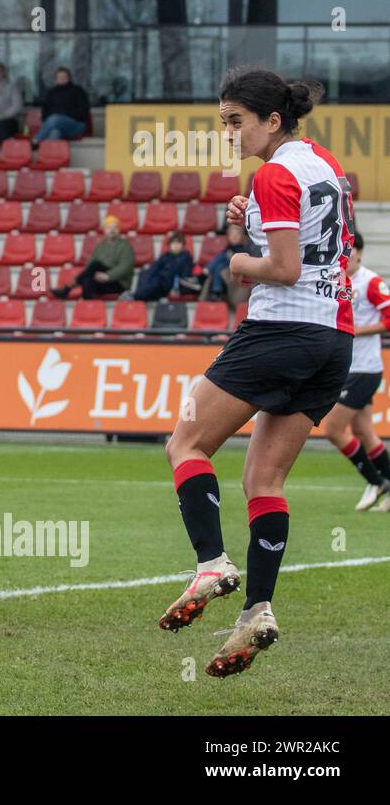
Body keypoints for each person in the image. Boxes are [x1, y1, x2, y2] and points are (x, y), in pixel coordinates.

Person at [161, 68, 351, 678]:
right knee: (264, 480)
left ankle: (212, 562)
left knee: (186, 442)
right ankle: (256, 611)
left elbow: (288, 269)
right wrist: (252, 224)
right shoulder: (324, 164)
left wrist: (240, 257)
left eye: (235, 121)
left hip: (281, 330)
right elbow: (323, 247)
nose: (229, 132)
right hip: (332, 338)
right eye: (223, 122)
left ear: (272, 120)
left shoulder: (273, 172)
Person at [316, 233, 390, 513]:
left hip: (365, 369)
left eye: (350, 251)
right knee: (363, 431)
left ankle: (374, 480)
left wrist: (357, 330)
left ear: (359, 252)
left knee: (333, 428)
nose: (346, 257)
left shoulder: (371, 282)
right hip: (347, 366)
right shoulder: (337, 279)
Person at [52, 215, 133, 299]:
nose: (112, 230)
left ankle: (68, 288)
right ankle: (87, 307)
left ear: (118, 230)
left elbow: (125, 266)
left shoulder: (125, 246)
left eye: (115, 227)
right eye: (109, 227)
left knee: (96, 264)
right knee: (87, 280)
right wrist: (94, 274)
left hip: (118, 283)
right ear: (104, 230)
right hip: (101, 281)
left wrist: (108, 276)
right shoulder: (100, 246)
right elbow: (89, 264)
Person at [131, 231, 196, 301]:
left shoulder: (186, 257)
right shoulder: (165, 256)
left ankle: (135, 297)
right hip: (162, 282)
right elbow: (154, 268)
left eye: (178, 243)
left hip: (175, 283)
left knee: (156, 280)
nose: (176, 245)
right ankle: (140, 295)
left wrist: (161, 274)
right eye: (173, 243)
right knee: (145, 273)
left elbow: (182, 274)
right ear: (170, 245)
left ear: (183, 245)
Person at [34, 67, 90, 142]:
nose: (62, 79)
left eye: (64, 77)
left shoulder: (78, 91)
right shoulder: (51, 93)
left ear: (69, 78)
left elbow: (84, 111)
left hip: (75, 125)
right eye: (59, 77)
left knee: (55, 119)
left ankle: (35, 141)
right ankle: (52, 153)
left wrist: (62, 117)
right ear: (56, 79)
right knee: (54, 133)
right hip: (56, 125)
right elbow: (45, 113)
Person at [205, 223, 251, 301]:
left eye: (237, 234)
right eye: (232, 234)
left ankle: (216, 291)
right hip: (226, 270)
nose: (234, 236)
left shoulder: (244, 248)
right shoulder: (228, 248)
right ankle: (217, 292)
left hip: (236, 273)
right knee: (220, 264)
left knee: (221, 263)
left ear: (242, 236)